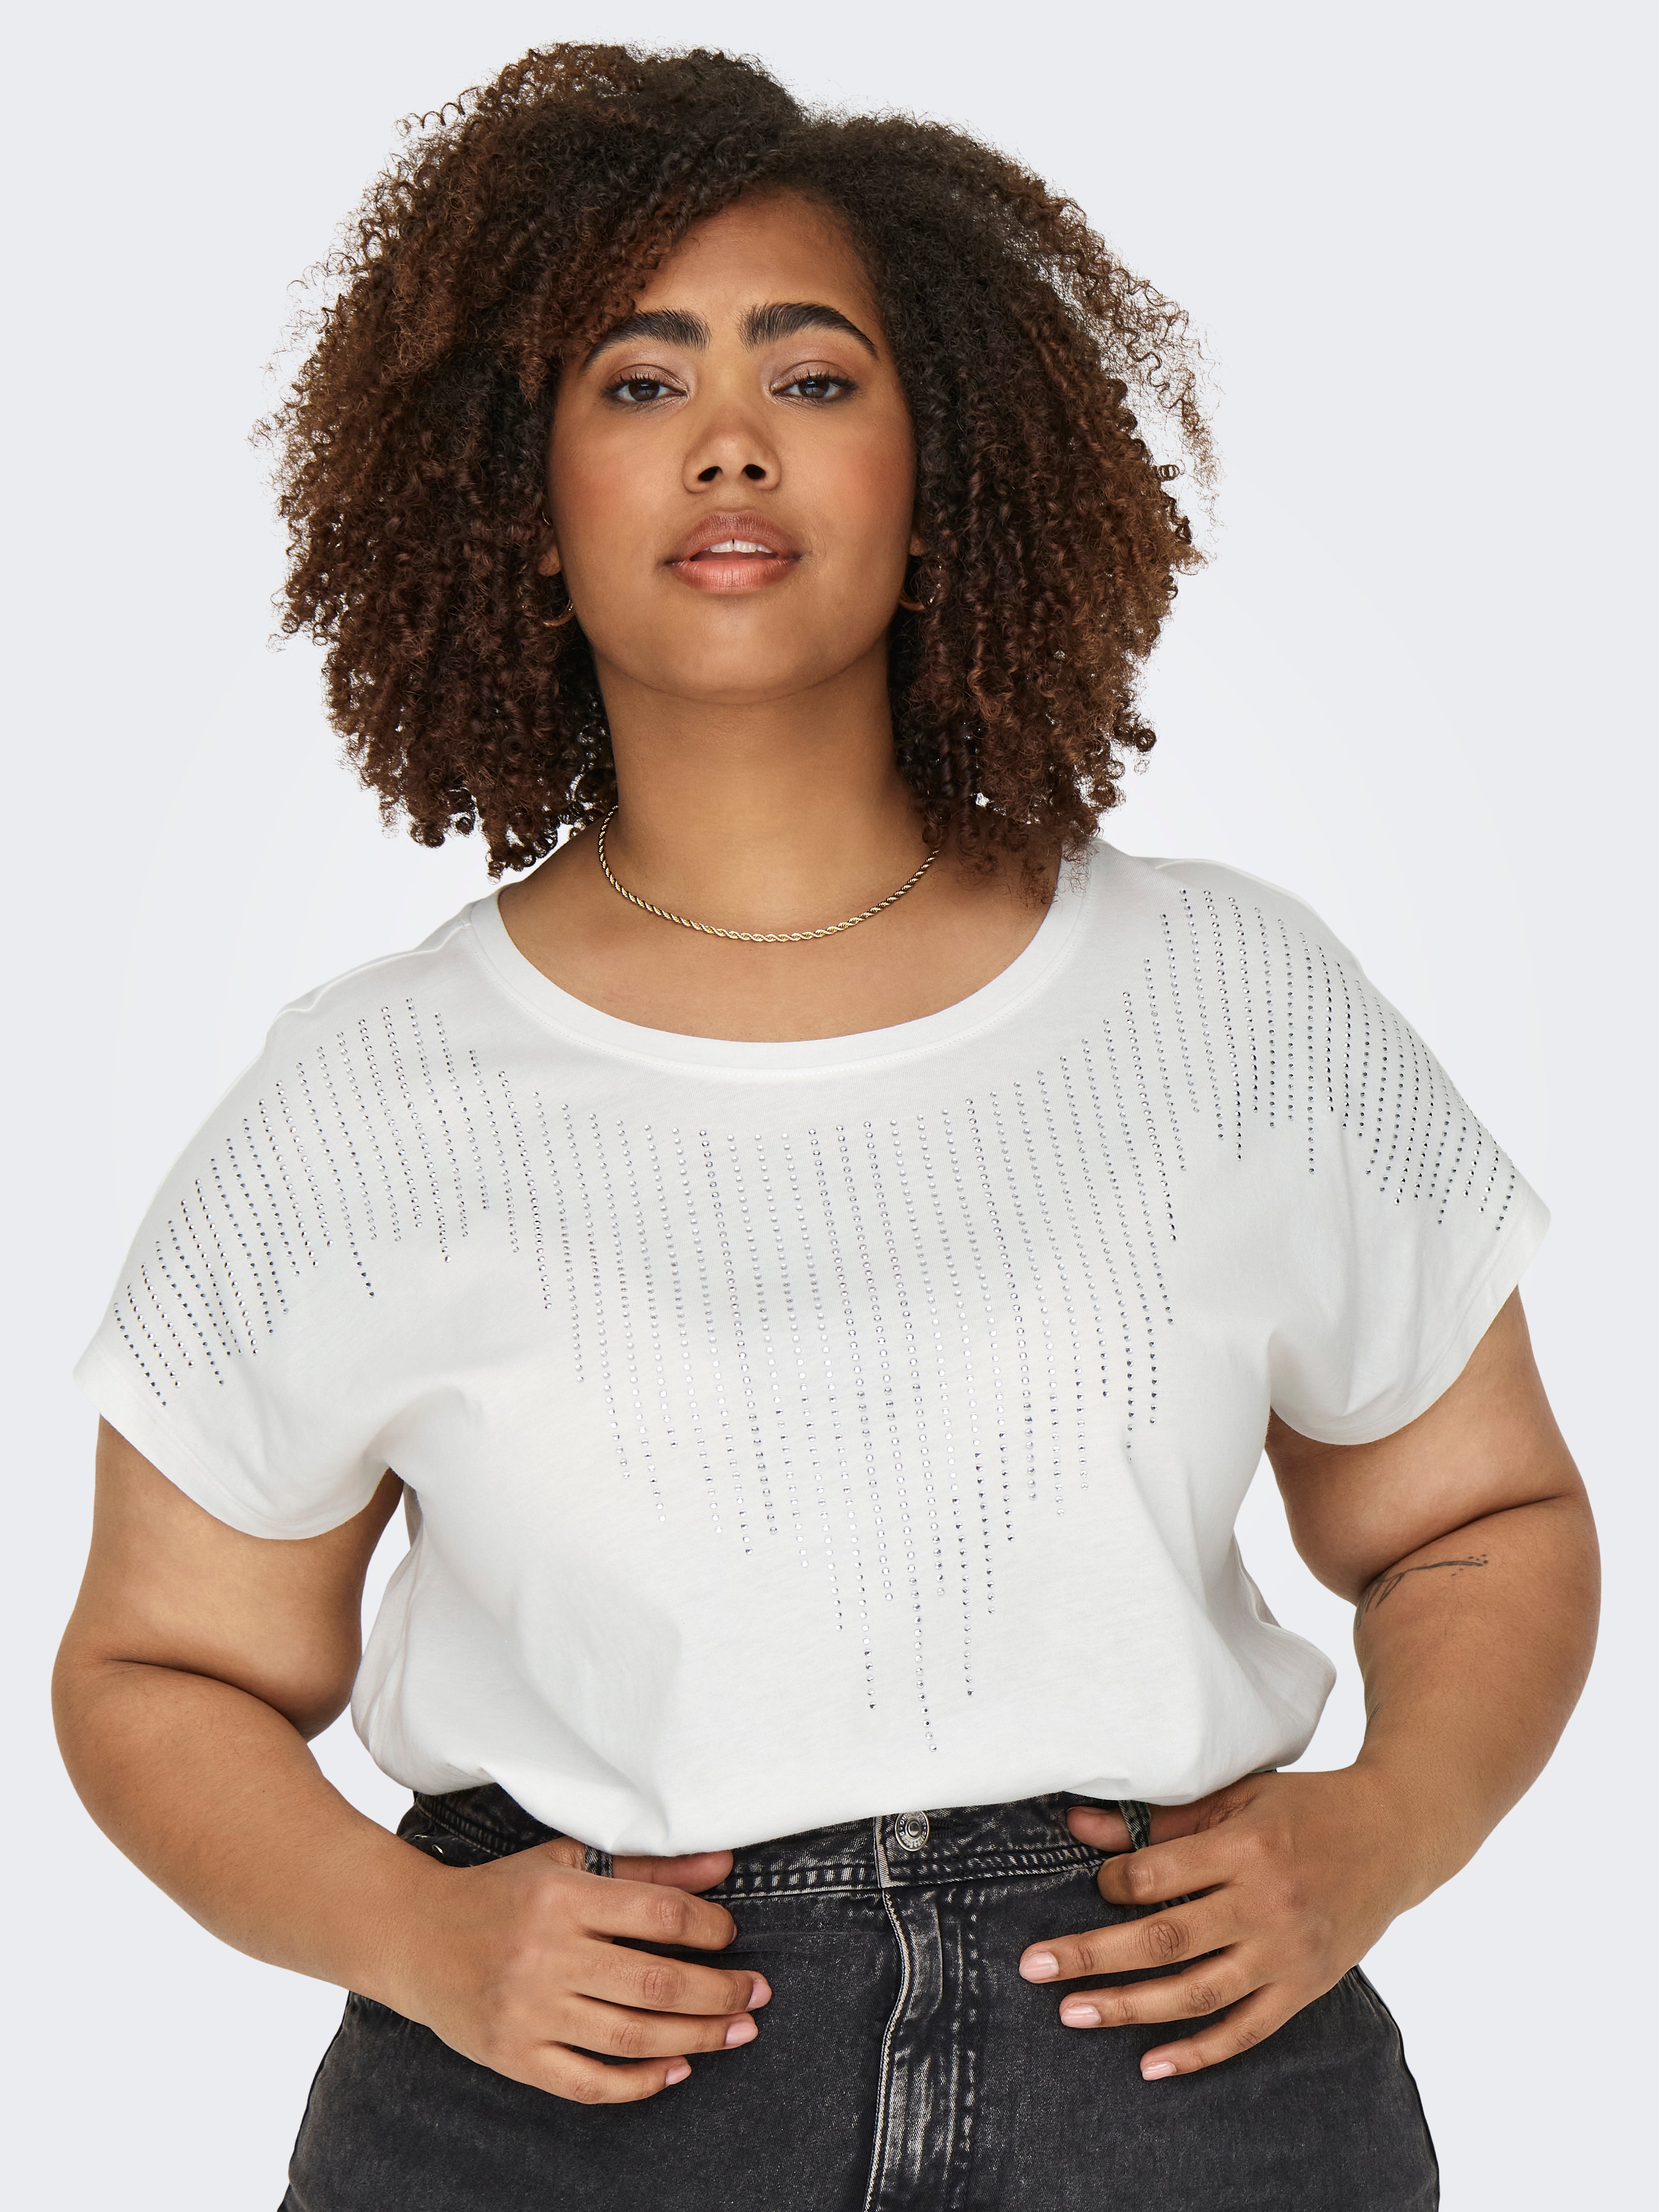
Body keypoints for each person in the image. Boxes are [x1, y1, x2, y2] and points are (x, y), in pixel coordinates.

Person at [53, 44, 1597, 2212]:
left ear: (940, 467)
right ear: (520, 503)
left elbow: (1483, 1514)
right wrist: (413, 1930)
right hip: (567, 2111)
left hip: (1174, 2083)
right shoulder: (364, 1096)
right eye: (637, 382)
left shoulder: (1230, 999)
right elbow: (158, 1663)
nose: (730, 437)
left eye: (813, 373)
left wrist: (1384, 1826)